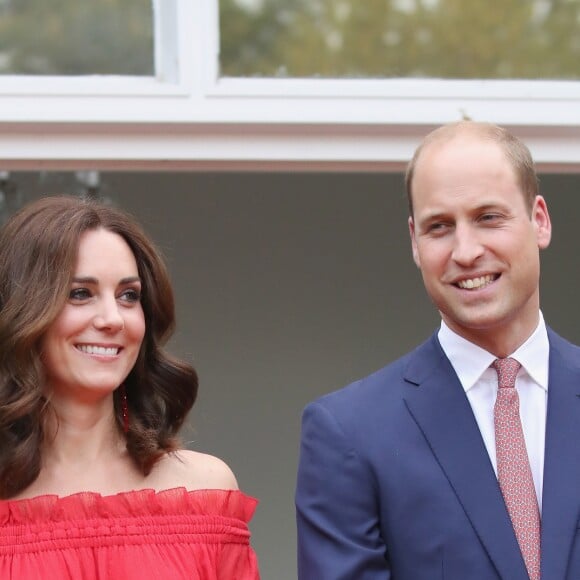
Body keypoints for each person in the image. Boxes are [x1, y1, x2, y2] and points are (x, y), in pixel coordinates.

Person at [296, 120, 580, 579]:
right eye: (440, 227)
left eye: (488, 217)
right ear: (414, 241)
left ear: (540, 220)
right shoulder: (349, 434)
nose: (465, 251)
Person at [0, 195, 260, 579]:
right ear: (23, 312)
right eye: (80, 293)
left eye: (128, 296)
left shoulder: (203, 491)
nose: (112, 319)